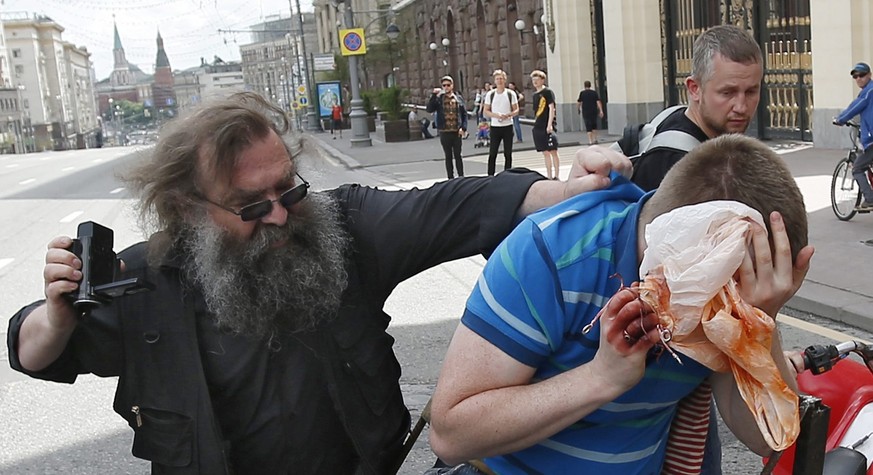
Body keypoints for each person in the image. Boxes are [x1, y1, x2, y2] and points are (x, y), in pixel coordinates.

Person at [6, 92, 630, 475]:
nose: (279, 214)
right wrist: (58, 315)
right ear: (189, 206)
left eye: (289, 189)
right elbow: (32, 352)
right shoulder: (143, 279)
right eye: (250, 206)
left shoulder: (343, 227)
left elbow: (461, 205)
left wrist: (567, 193)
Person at [428, 135, 815, 474]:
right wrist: (600, 378)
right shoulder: (553, 253)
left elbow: (768, 440)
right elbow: (452, 434)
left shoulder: (728, 300)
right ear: (680, 259)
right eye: (726, 297)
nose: (727, 314)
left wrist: (757, 324)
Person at [630, 24, 763, 192]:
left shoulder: (674, 117)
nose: (741, 107)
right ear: (695, 89)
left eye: (751, 92)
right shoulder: (672, 163)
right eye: (728, 92)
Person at [834, 61, 873, 211]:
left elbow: (856, 107)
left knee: (857, 168)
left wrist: (840, 119)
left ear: (869, 75)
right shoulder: (866, 91)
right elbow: (855, 105)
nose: (858, 79)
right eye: (855, 76)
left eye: (862, 75)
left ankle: (869, 199)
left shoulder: (869, 91)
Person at [427, 75, 468, 179]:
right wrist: (433, 96)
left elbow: (464, 114)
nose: (446, 87)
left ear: (452, 86)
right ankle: (450, 178)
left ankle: (461, 177)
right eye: (444, 85)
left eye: (448, 85)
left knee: (458, 155)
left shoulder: (458, 98)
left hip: (456, 131)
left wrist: (463, 128)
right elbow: (429, 109)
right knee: (448, 156)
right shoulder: (439, 99)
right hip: (444, 131)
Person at [484, 69, 519, 175]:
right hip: (495, 127)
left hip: (507, 126)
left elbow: (516, 110)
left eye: (501, 78)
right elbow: (486, 110)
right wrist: (496, 115)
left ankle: (508, 174)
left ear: (505, 80)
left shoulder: (510, 93)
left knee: (508, 153)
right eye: (497, 79)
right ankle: (490, 175)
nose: (499, 81)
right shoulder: (490, 94)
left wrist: (509, 115)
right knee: (492, 153)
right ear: (494, 81)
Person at [530, 70, 560, 180]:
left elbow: (551, 108)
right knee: (545, 152)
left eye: (537, 80)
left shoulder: (548, 92)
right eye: (533, 80)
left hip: (547, 125)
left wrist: (550, 124)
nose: (535, 82)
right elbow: (536, 112)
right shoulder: (534, 95)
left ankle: (556, 175)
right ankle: (549, 175)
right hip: (538, 126)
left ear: (542, 80)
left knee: (553, 151)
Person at [577, 80, 604, 145]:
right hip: (594, 111)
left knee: (588, 126)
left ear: (584, 86)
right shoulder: (594, 93)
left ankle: (590, 141)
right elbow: (598, 102)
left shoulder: (582, 93)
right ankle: (595, 139)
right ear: (590, 85)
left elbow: (579, 102)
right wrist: (601, 111)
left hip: (586, 112)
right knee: (594, 125)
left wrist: (578, 109)